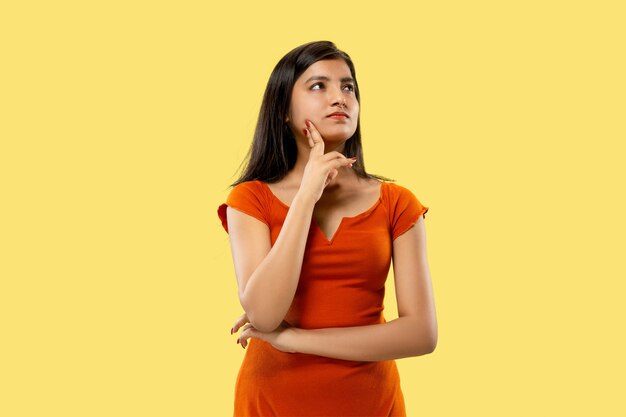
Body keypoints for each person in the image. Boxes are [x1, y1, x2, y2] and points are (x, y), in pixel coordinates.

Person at [217, 40, 437, 417]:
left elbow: (421, 334)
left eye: (348, 86)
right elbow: (264, 314)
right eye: (319, 86)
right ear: (284, 111)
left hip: (371, 404)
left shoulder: (397, 202)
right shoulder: (250, 199)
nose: (339, 97)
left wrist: (294, 340)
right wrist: (305, 197)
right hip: (272, 402)